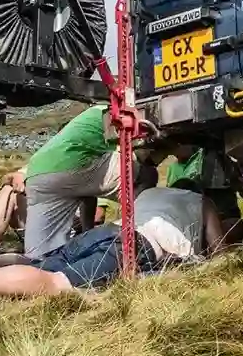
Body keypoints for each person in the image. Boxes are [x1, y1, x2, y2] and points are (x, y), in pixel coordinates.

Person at [0, 171, 230, 322]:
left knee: (36, 266)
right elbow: (219, 252)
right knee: (55, 284)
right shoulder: (202, 201)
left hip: (106, 233)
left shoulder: (148, 195)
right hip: (135, 247)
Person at [21, 104, 155, 259]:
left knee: (38, 255)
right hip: (72, 163)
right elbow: (135, 146)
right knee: (146, 174)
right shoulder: (114, 112)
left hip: (37, 173)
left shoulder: (84, 121)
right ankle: (139, 236)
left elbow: (88, 195)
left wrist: (87, 230)